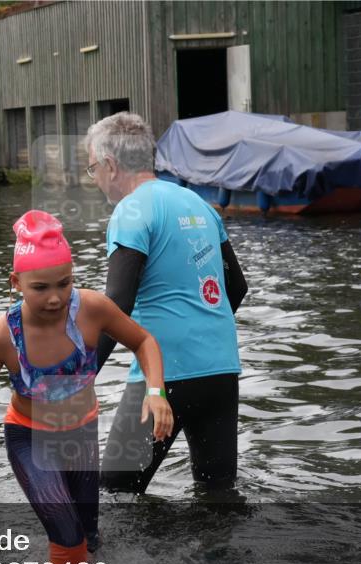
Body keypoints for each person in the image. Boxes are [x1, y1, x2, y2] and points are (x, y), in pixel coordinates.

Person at [0, 211, 173, 564]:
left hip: (81, 435)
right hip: (30, 439)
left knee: (90, 540)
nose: (55, 298)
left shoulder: (92, 309)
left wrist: (156, 392)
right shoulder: (1, 337)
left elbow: (143, 341)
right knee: (68, 538)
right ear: (16, 282)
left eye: (64, 283)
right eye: (40, 288)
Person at [84, 112, 248, 494]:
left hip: (165, 375)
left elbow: (116, 305)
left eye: (93, 168)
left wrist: (78, 378)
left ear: (110, 164)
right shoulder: (199, 204)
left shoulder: (131, 210)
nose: (94, 179)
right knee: (217, 496)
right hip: (221, 370)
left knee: (115, 494)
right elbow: (236, 288)